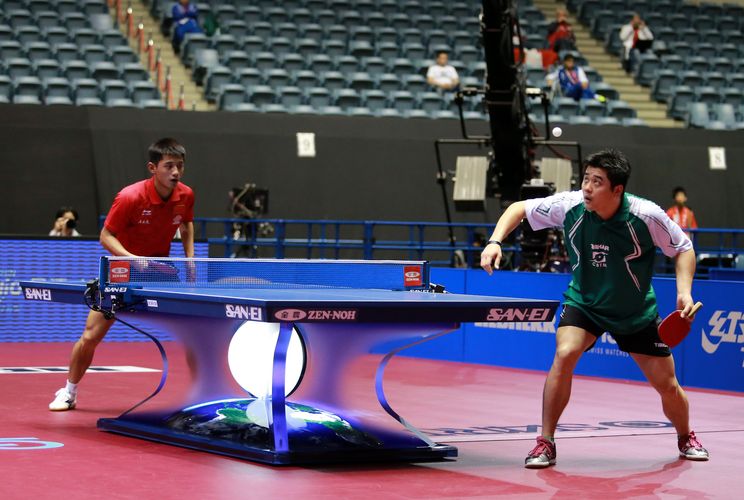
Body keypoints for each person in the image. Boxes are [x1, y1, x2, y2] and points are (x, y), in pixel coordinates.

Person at [480, 149, 709, 468]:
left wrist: (684, 292)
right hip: (584, 302)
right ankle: (545, 441)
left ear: (617, 190)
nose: (587, 187)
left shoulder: (646, 215)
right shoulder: (570, 205)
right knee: (565, 353)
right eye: (586, 178)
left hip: (634, 311)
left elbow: (683, 249)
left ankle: (686, 435)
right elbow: (519, 208)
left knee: (667, 385)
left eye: (597, 182)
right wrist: (495, 241)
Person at [49, 138, 195, 411]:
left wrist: (190, 258)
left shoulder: (185, 194)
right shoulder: (130, 197)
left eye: (180, 166)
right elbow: (106, 235)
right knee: (91, 336)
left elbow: (186, 224)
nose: (175, 172)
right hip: (122, 271)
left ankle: (201, 395)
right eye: (169, 166)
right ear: (153, 168)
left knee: (196, 331)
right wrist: (130, 258)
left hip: (160, 272)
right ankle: (69, 392)